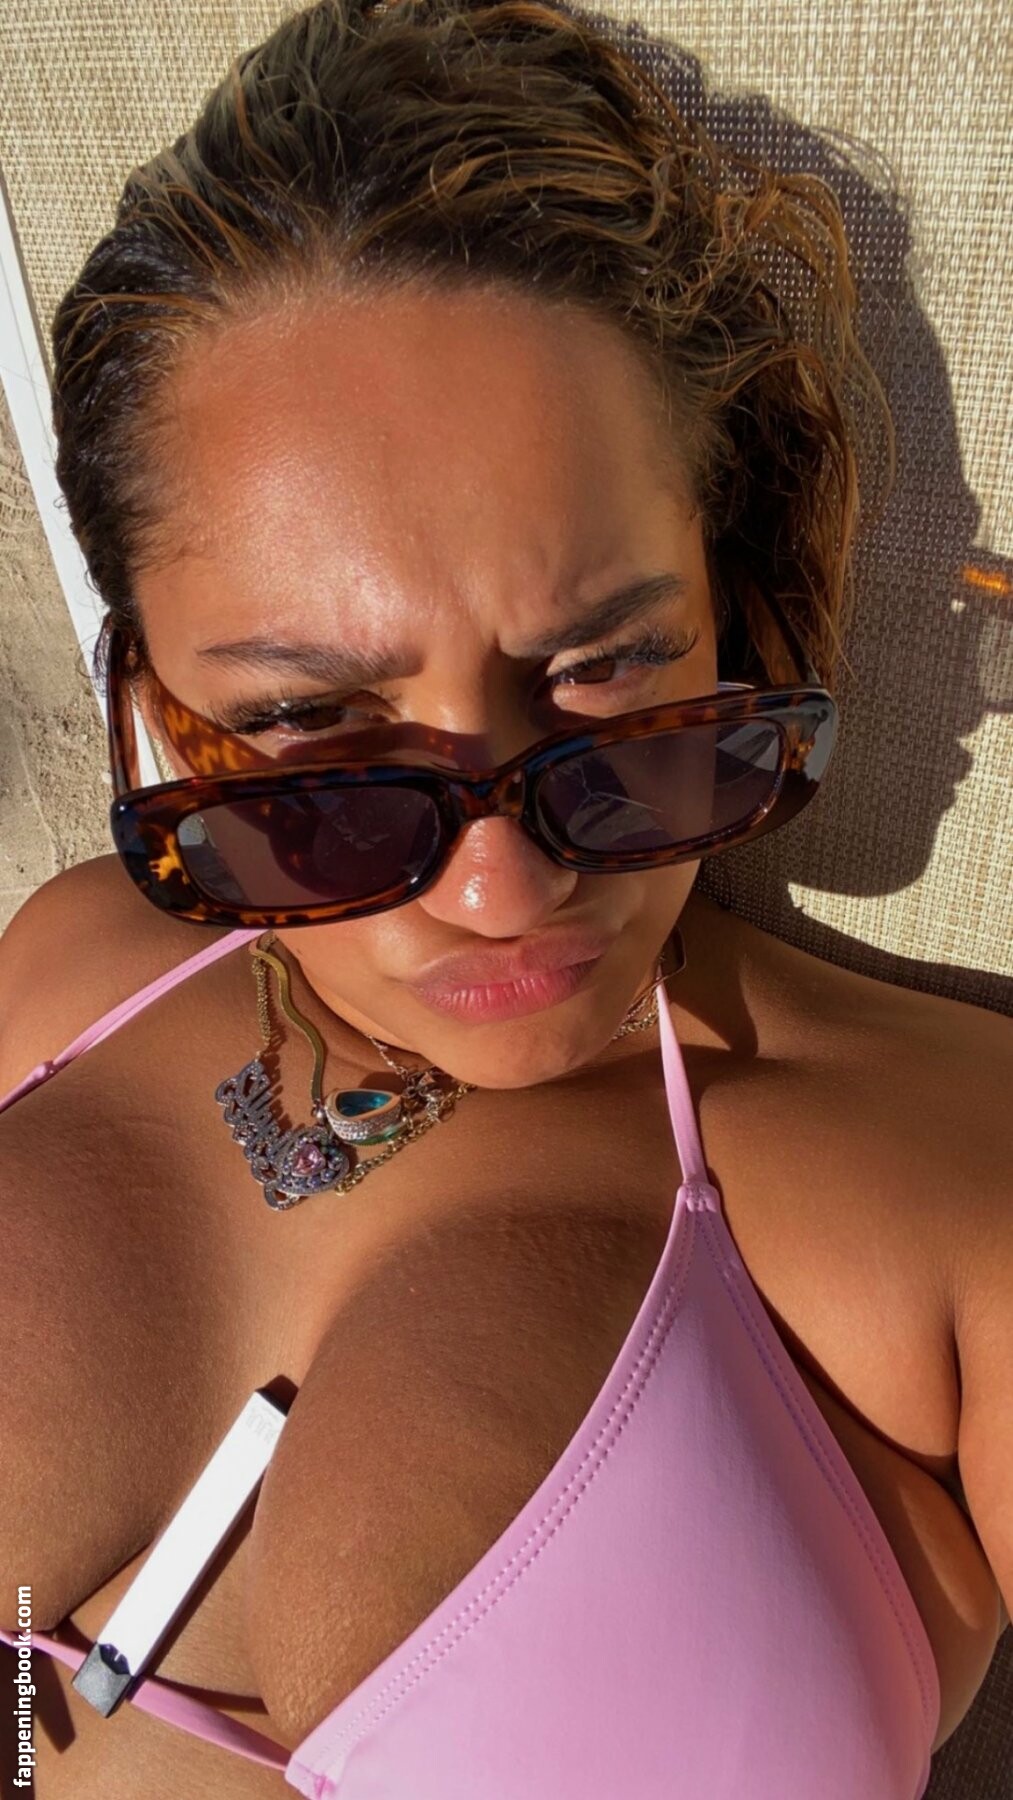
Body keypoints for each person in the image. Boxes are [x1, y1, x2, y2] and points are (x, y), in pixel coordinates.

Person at [0, 1, 1008, 1795]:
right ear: (152, 709)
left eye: (606, 670)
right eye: (312, 720)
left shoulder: (954, 1186)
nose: (502, 882)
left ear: (733, 611)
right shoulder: (65, 963)